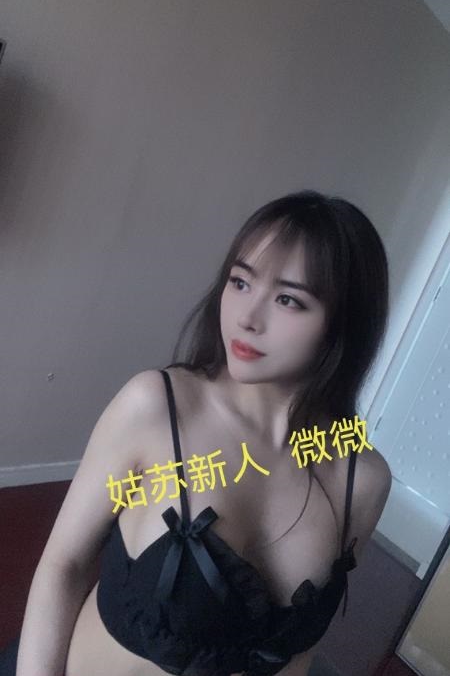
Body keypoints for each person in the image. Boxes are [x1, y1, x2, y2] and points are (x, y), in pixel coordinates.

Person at [0, 189, 392, 676]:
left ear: (346, 323)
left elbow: (301, 652)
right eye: (240, 282)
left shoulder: (362, 480)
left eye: (288, 300)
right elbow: (65, 564)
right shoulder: (156, 408)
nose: (247, 318)